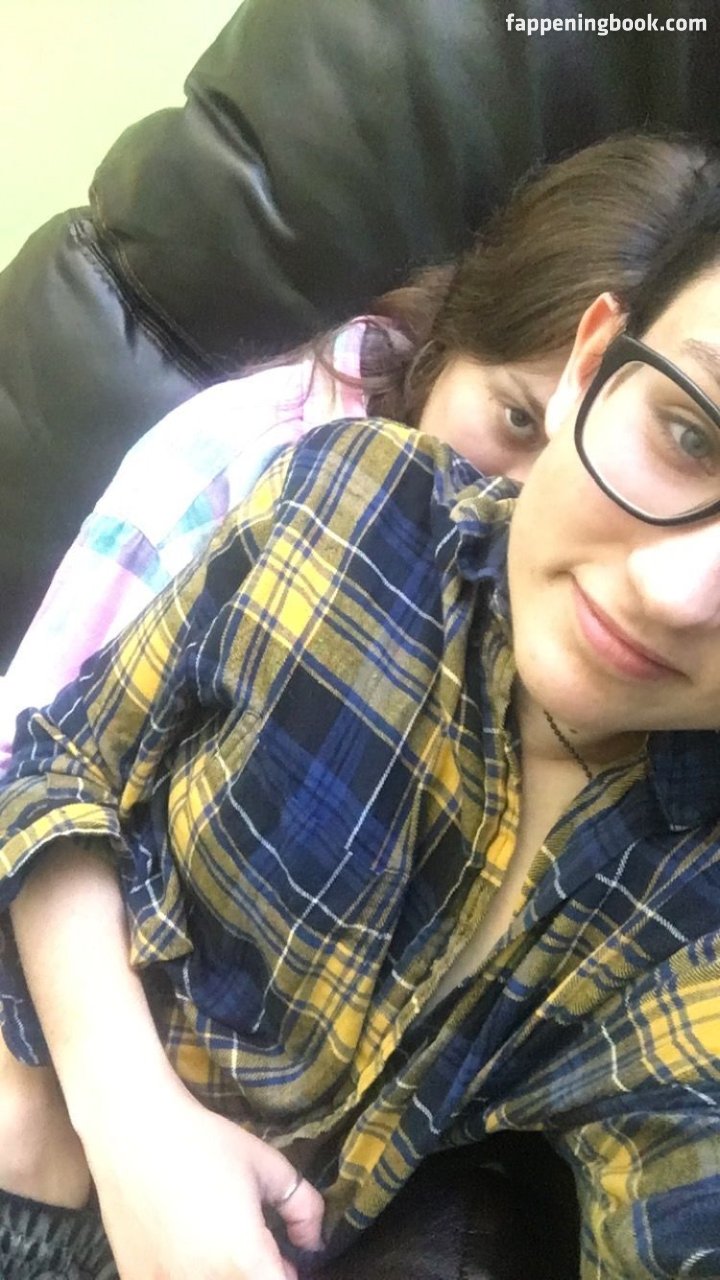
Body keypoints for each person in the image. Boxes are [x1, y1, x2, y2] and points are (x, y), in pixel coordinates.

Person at [2, 131, 720, 1280]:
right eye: (689, 435)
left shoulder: (694, 897)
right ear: (593, 361)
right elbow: (54, 760)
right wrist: (123, 1114)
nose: (673, 591)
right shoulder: (341, 503)